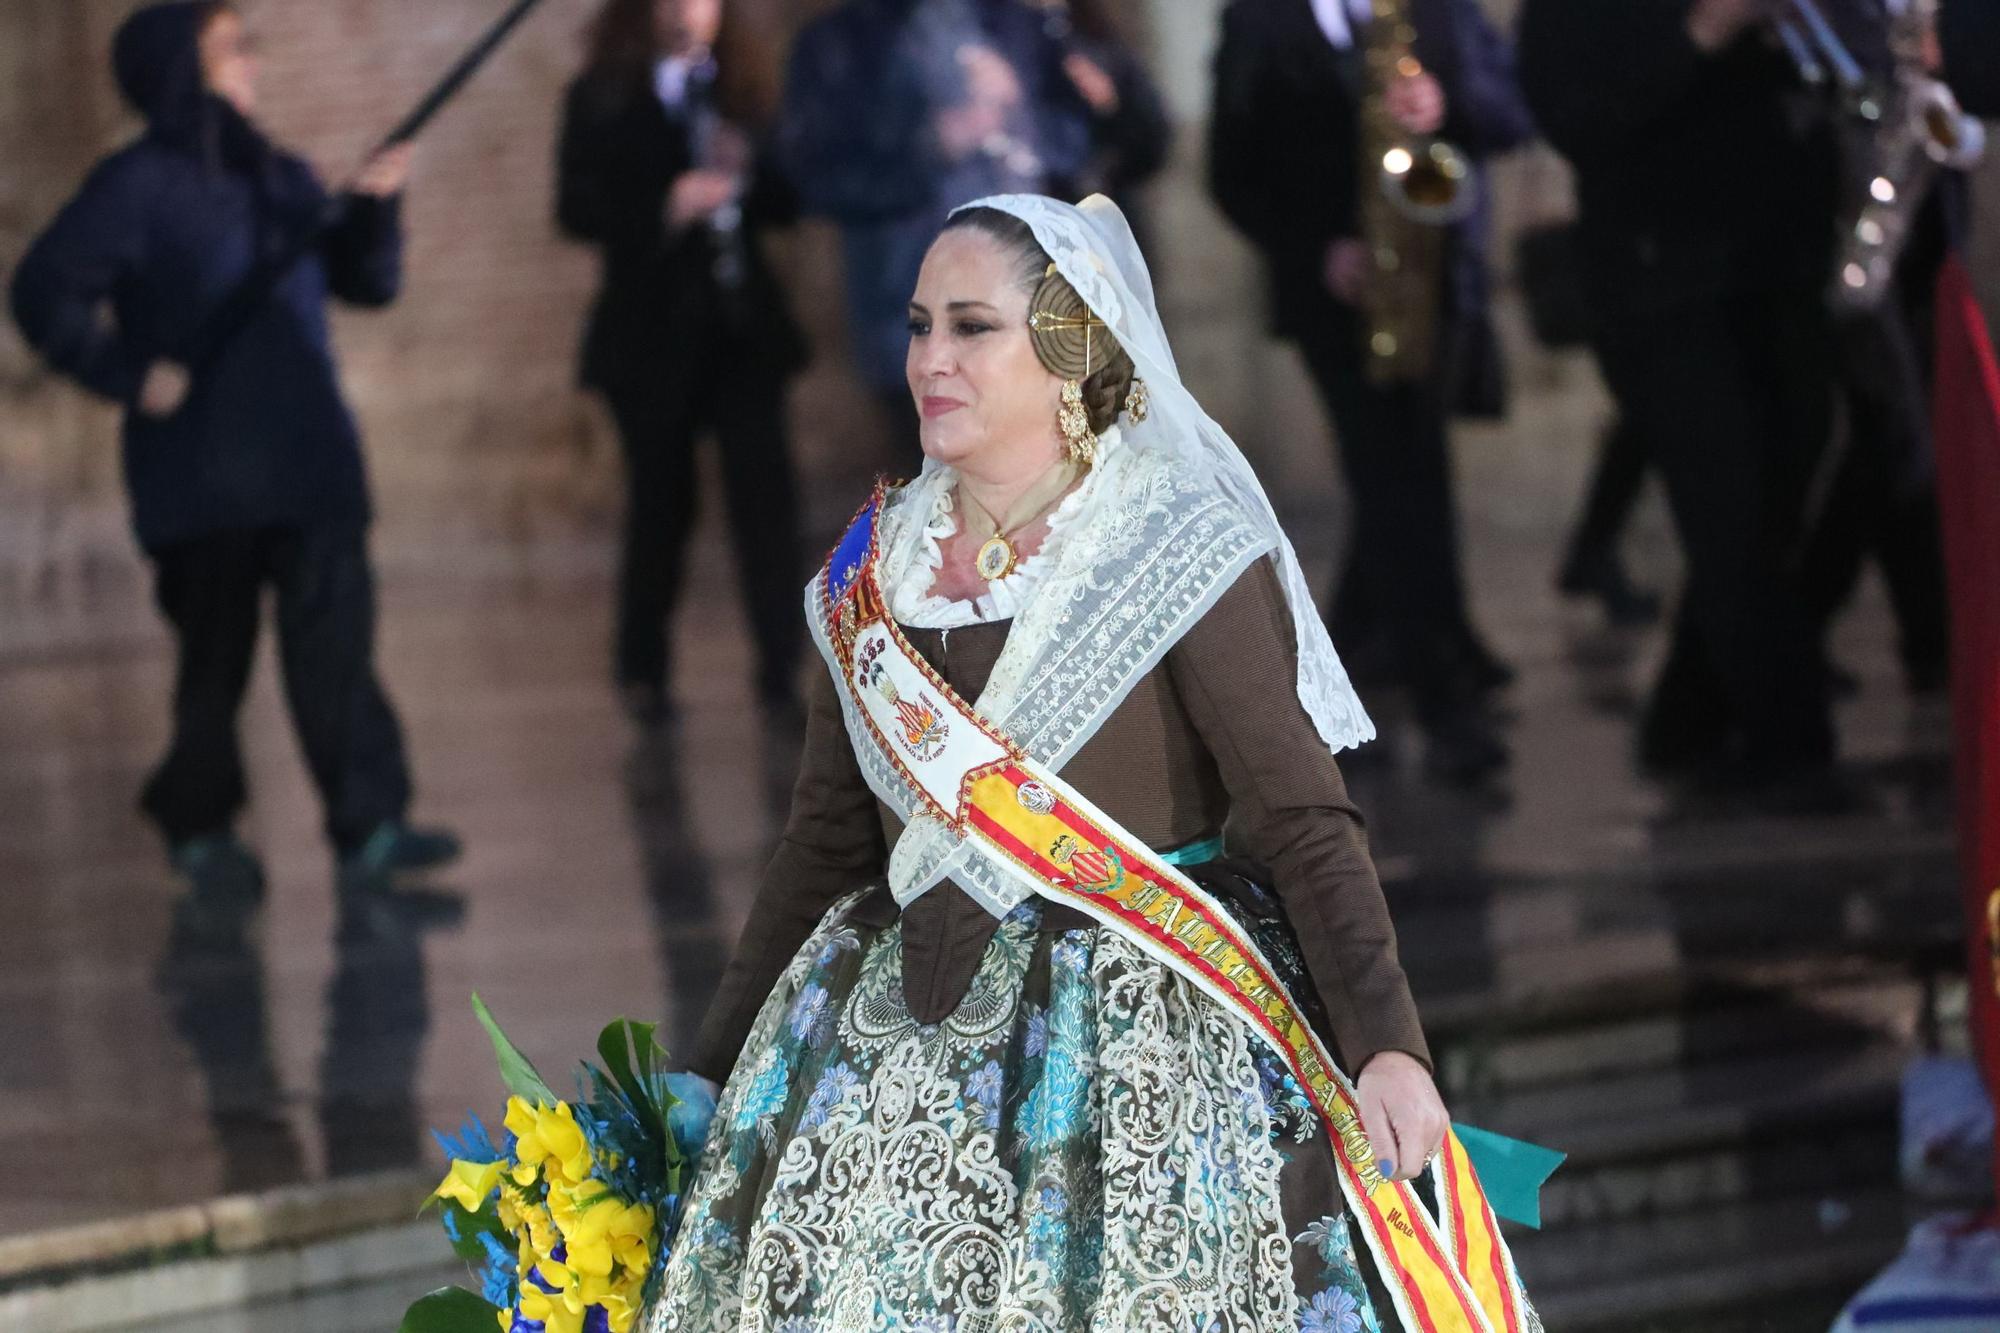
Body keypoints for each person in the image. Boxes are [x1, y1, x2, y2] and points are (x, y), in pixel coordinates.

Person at [643, 195, 1538, 1332]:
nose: (931, 360)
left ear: (1068, 348)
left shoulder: (1176, 548)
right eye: (920, 326)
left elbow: (1303, 817)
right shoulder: (874, 570)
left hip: (1145, 1053)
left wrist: (1389, 1047)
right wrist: (712, 1070)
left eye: (972, 328)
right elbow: (823, 843)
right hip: (889, 1065)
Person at [10, 1, 460, 900]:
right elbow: (41, 291)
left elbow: (367, 283)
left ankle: (368, 822)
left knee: (335, 653)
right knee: (213, 671)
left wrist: (376, 206)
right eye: (231, 49)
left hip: (309, 467)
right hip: (203, 481)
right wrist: (127, 373)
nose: (252, 63)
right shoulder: (133, 188)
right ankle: (201, 824)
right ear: (183, 70)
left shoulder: (279, 176)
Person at [1518, 0, 1848, 804]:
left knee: (1777, 494)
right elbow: (1577, 121)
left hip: (1779, 270)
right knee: (1727, 509)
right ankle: (1792, 750)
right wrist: (1705, 32)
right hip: (1658, 286)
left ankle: (1683, 717)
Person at [1208, 0, 1534, 788]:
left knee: (1410, 473)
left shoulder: (1437, 10)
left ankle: (1365, 658)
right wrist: (1313, 248)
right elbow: (1230, 169)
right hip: (1335, 296)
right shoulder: (1260, 19)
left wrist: (1445, 107)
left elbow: (1512, 114)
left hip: (1429, 275)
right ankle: (1443, 699)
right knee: (1394, 479)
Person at [557, 0, 807, 724]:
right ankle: (644, 670)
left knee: (765, 502)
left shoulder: (741, 89)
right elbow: (575, 208)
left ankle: (780, 671)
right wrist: (665, 205)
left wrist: (749, 175)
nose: (685, 12)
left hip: (740, 329)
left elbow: (791, 196)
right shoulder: (602, 96)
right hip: (651, 335)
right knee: (661, 504)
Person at [778, 0, 1092, 478]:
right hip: (915, 317)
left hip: (1036, 306)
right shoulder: (840, 43)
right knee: (942, 498)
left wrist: (1016, 111)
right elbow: (815, 177)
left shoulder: (1013, 23)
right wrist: (930, 146)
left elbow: (1082, 139)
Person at [1028, 0, 1172, 258]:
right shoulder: (986, 37)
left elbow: (1154, 142)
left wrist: (1111, 103)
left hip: (1102, 237)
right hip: (1030, 235)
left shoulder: (1095, 35)